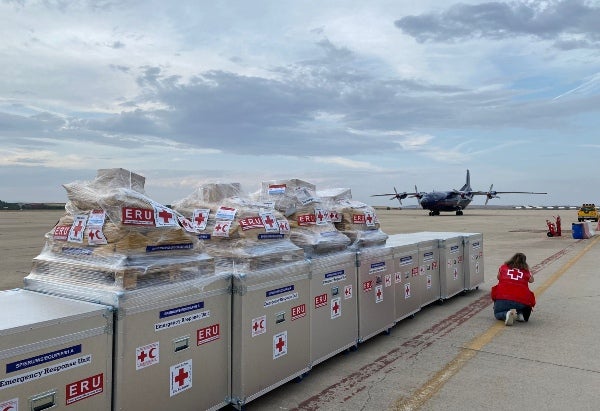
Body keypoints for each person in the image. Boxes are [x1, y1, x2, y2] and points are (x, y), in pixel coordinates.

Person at [490, 252, 536, 326]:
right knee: (520, 299)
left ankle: (506, 314)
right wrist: (528, 271)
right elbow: (532, 280)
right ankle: (519, 313)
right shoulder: (525, 271)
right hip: (520, 301)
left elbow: (498, 277)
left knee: (497, 313)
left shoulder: (503, 267)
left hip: (503, 298)